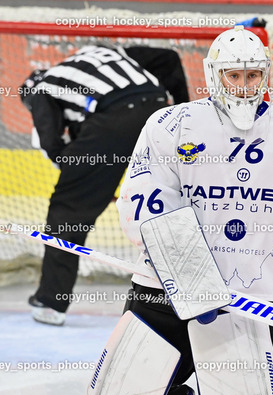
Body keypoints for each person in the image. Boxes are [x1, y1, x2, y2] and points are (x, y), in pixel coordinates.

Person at [116, 25, 273, 395]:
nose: (244, 86)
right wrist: (194, 281)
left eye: (252, 76)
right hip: (164, 296)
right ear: (214, 75)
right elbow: (143, 205)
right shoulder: (171, 125)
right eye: (234, 75)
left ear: (265, 76)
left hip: (257, 304)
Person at [20, 44, 189, 325]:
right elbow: (167, 58)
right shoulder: (100, 52)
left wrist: (86, 180)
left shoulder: (41, 88)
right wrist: (185, 111)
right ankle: (194, 290)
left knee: (67, 210)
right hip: (161, 113)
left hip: (114, 121)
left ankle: (51, 303)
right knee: (172, 204)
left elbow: (52, 143)